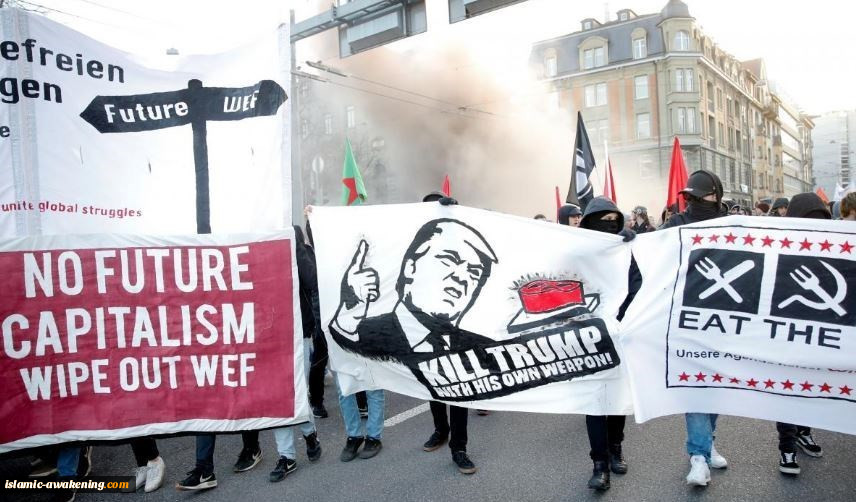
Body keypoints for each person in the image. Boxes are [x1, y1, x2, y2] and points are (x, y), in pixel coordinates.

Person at [660, 170, 729, 487]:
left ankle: (708, 442)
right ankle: (698, 456)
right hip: (685, 319)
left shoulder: (732, 224)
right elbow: (651, 252)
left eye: (704, 197)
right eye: (692, 198)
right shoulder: (676, 223)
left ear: (717, 196)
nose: (697, 202)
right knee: (695, 385)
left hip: (723, 320)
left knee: (715, 386)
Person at [578, 197, 641, 491]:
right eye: (602, 221)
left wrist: (633, 246)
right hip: (588, 338)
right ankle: (599, 464)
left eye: (614, 221)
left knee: (616, 398)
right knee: (594, 402)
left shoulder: (628, 252)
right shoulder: (577, 252)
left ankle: (616, 449)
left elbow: (638, 287)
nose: (609, 225)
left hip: (621, 334)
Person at [418, 192, 478, 475]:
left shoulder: (455, 240)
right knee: (433, 385)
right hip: (424, 326)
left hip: (456, 327)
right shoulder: (417, 241)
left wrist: (454, 210)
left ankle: (459, 448)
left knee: (457, 388)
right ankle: (440, 430)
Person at [772, 192, 831, 475]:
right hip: (785, 335)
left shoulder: (835, 249)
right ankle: (787, 447)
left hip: (817, 335)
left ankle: (804, 431)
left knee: (809, 388)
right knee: (786, 391)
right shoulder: (779, 247)